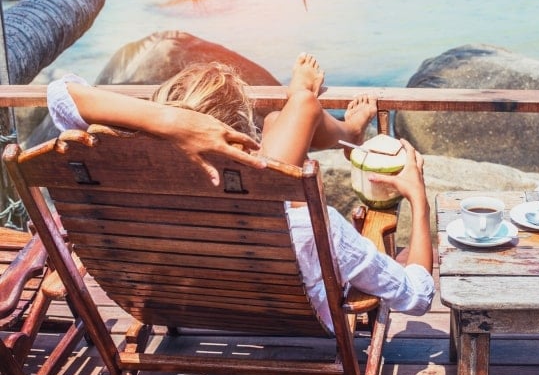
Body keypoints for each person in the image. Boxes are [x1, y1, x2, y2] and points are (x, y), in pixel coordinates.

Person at [47, 53, 434, 331]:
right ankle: (334, 125)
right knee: (284, 120)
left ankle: (301, 108)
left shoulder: (127, 194)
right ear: (240, 143)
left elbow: (61, 93)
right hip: (281, 300)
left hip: (182, 296)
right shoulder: (316, 230)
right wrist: (418, 200)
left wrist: (170, 123)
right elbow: (417, 296)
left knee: (281, 121)